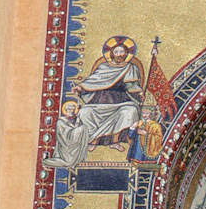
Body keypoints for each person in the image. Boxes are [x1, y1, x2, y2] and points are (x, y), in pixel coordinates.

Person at [55, 36, 146, 168]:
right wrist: (80, 88)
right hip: (101, 100)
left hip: (121, 101)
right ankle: (92, 140)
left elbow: (131, 85)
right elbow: (92, 81)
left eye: (122, 52)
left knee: (130, 111)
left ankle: (114, 141)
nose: (119, 55)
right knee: (85, 112)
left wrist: (139, 92)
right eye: (116, 52)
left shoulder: (130, 68)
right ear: (111, 53)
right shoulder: (103, 67)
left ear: (126, 54)